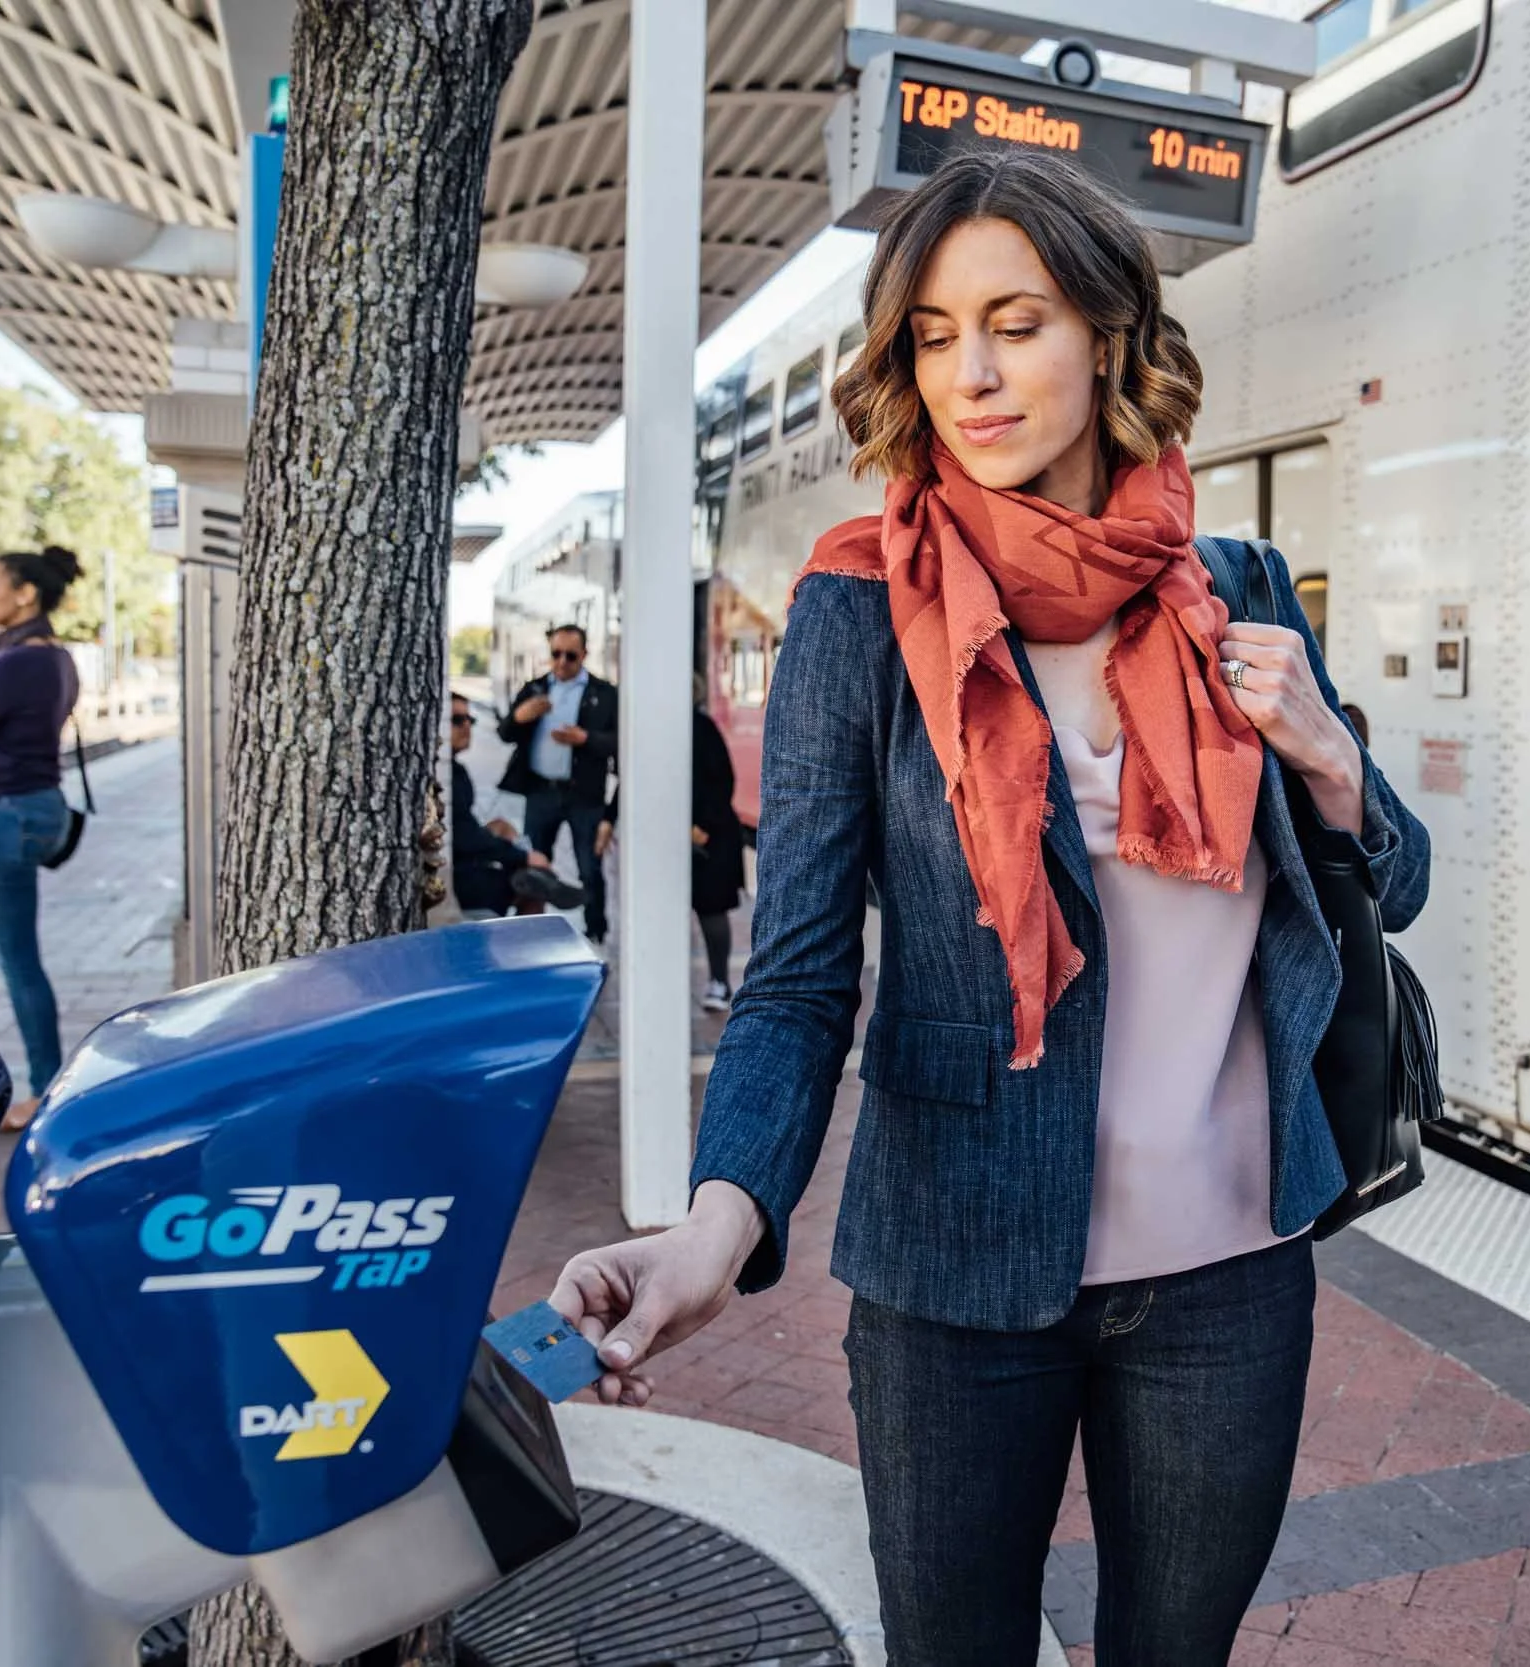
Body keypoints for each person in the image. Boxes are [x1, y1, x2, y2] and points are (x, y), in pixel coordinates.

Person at [549, 151, 1429, 1664]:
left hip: (1227, 1269)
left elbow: (1389, 880)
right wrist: (716, 1218)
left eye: (1015, 322)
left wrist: (1331, 759)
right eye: (935, 336)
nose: (974, 371)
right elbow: (801, 975)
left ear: (1106, 331)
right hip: (952, 1274)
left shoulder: (1240, 584)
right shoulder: (860, 607)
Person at [0, 546, 83, 1127]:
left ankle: (44, 1090)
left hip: (1, 814)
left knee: (16, 960)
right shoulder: (55, 657)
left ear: (25, 594)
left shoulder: (14, 663)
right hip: (35, 806)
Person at [589, 674, 747, 1013]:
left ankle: (719, 980)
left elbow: (723, 780)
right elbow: (631, 777)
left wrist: (702, 826)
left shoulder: (702, 728)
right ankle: (659, 983)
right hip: (667, 834)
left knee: (711, 911)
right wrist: (608, 818)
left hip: (709, 836)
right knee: (662, 909)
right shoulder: (649, 732)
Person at [497, 623, 617, 941]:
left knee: (589, 867)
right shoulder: (535, 689)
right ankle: (533, 931)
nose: (562, 662)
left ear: (584, 655)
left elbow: (621, 743)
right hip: (541, 791)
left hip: (583, 795)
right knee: (534, 862)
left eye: (571, 656)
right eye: (556, 655)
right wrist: (520, 717)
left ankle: (595, 931)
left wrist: (585, 738)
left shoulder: (604, 694)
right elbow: (505, 732)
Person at [449, 693, 585, 916]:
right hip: (454, 876)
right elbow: (466, 837)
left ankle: (538, 875)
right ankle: (539, 890)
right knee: (530, 888)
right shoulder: (446, 776)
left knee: (501, 826)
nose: (466, 727)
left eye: (469, 720)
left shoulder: (457, 771)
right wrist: (521, 856)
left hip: (460, 858)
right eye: (456, 720)